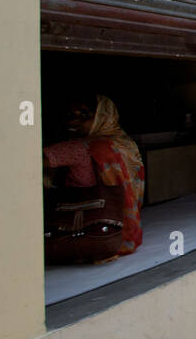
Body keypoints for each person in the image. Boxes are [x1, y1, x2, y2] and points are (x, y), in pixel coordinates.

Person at [43, 94, 146, 257]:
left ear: (102, 116)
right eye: (70, 115)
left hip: (84, 222)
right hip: (120, 226)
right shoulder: (124, 141)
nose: (72, 121)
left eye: (84, 115)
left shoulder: (80, 147)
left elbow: (33, 161)